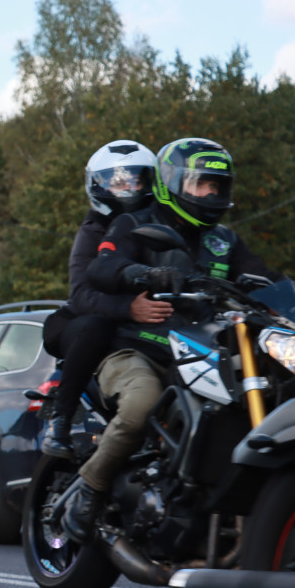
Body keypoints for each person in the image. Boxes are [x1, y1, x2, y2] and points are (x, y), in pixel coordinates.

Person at [62, 137, 282, 544]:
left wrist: (284, 300)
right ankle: (90, 490)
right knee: (142, 401)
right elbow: (103, 267)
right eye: (202, 184)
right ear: (172, 183)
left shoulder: (225, 240)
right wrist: (143, 276)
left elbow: (265, 280)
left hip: (202, 349)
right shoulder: (136, 224)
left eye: (217, 186)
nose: (211, 194)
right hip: (138, 347)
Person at [41, 139, 174, 458]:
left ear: (150, 182)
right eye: (116, 181)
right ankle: (60, 417)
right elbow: (82, 295)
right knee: (95, 327)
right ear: (97, 184)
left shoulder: (161, 225)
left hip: (141, 332)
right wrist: (129, 308)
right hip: (83, 324)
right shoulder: (92, 230)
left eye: (134, 179)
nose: (126, 188)